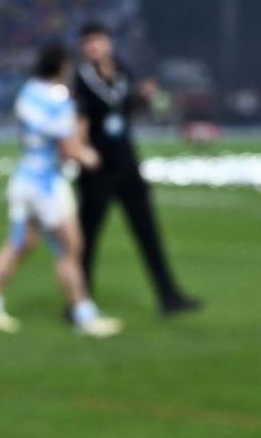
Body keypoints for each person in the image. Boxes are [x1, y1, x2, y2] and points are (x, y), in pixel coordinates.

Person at [0, 43, 123, 338]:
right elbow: (68, 146)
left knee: (18, 244)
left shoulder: (28, 92)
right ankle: (84, 314)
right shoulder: (58, 99)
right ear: (63, 66)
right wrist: (89, 156)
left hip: (23, 177)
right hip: (47, 184)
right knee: (71, 247)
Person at [72, 22, 201, 316]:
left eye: (97, 40)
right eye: (87, 42)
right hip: (96, 168)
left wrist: (143, 98)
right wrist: (81, 151)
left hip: (126, 163)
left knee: (148, 232)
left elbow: (126, 111)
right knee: (87, 238)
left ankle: (168, 296)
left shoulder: (123, 72)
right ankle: (79, 301)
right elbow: (78, 118)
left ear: (109, 43)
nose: (93, 46)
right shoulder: (80, 79)